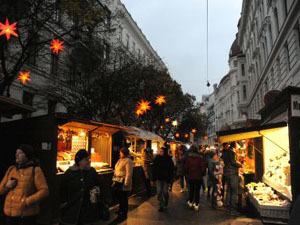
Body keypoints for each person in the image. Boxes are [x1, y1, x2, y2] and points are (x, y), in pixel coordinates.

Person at [0, 144, 49, 225]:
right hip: (9, 215)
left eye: (20, 153)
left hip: (26, 216)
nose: (17, 155)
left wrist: (26, 201)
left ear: (27, 156)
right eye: (16, 153)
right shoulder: (11, 169)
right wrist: (6, 186)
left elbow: (44, 191)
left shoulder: (35, 170)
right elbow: (0, 190)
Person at [59, 149, 102, 225]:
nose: (89, 161)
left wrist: (96, 190)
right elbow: (63, 190)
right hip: (72, 210)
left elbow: (98, 184)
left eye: (89, 159)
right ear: (79, 161)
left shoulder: (92, 171)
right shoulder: (70, 173)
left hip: (88, 210)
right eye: (86, 159)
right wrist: (64, 203)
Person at [112, 147, 133, 222]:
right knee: (119, 195)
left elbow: (129, 173)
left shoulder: (128, 161)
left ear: (124, 153)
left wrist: (127, 183)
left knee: (124, 197)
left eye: (121, 152)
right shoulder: (120, 160)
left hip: (123, 181)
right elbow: (116, 170)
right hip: (118, 181)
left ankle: (124, 212)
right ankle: (121, 209)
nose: (119, 153)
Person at [223, 142, 242, 216]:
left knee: (229, 191)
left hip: (227, 174)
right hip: (232, 174)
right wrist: (240, 165)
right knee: (234, 191)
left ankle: (228, 207)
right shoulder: (232, 152)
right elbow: (233, 162)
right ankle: (233, 209)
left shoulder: (225, 152)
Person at [185, 145, 207, 211]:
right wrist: (203, 174)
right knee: (197, 191)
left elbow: (186, 167)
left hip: (191, 177)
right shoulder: (200, 158)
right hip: (198, 177)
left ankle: (190, 202)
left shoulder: (189, 158)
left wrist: (187, 173)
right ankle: (196, 204)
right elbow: (203, 168)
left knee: (191, 190)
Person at [152, 147, 174, 212]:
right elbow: (154, 168)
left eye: (162, 151)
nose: (160, 152)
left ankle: (166, 199)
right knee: (159, 191)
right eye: (160, 151)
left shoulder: (168, 159)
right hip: (158, 178)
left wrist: (170, 178)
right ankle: (160, 205)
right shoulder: (157, 158)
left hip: (165, 178)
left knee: (165, 191)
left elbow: (171, 169)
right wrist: (153, 177)